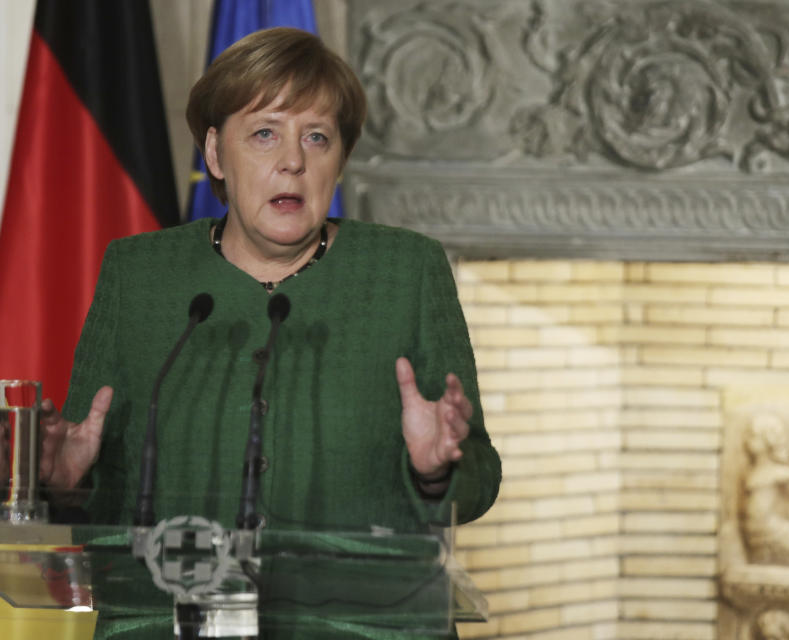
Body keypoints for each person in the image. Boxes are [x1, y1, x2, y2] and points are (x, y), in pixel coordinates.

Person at [37, 27, 501, 638]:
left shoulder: (406, 271)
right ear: (215, 154)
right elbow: (95, 475)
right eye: (264, 134)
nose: (292, 161)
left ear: (339, 157)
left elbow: (480, 478)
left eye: (317, 137)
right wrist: (66, 485)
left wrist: (437, 472)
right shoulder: (139, 274)